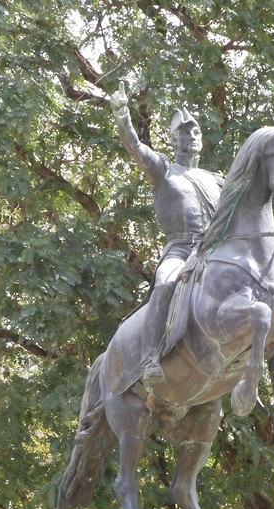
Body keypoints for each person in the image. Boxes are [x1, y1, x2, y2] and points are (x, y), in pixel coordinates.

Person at [110, 81, 223, 386]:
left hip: (215, 250)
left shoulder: (216, 180)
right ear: (175, 138)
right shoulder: (163, 170)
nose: (193, 136)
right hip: (180, 249)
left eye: (197, 131)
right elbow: (135, 146)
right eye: (186, 132)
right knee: (165, 283)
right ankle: (149, 356)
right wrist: (123, 117)